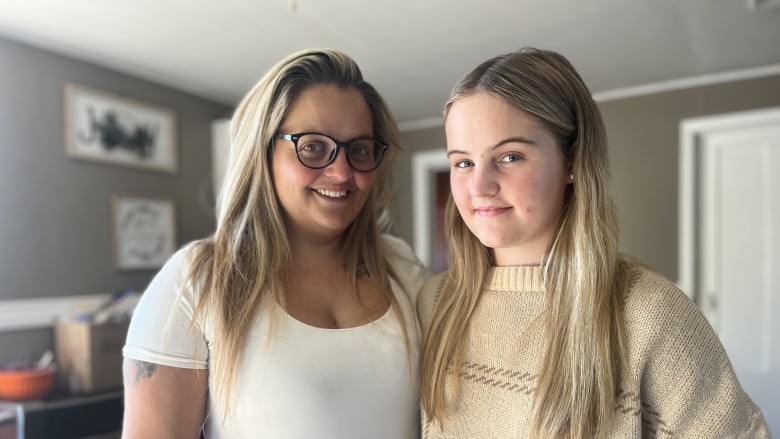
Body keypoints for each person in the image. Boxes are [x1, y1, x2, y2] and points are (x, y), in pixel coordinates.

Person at [418, 48, 770, 438]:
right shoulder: (433, 302)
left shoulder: (646, 312)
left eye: (511, 156)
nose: (479, 187)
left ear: (571, 161)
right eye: (463, 162)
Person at [121, 48, 429, 438]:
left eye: (359, 150)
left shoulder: (401, 267)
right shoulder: (197, 280)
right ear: (261, 151)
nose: (341, 172)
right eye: (313, 146)